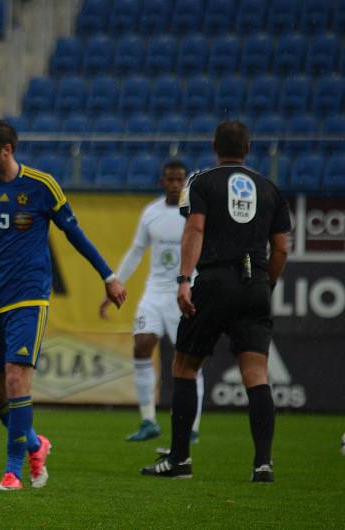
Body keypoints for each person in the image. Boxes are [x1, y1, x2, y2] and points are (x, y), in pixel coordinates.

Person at [0, 118, 127, 491]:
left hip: (29, 297)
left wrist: (108, 277)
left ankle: (14, 470)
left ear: (6, 150)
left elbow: (74, 233)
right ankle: (34, 443)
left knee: (16, 377)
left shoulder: (42, 186)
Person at [141, 121, 291, 482]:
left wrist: (182, 280)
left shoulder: (203, 182)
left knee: (184, 367)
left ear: (214, 146)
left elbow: (195, 228)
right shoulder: (270, 189)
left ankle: (179, 461)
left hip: (215, 280)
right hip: (255, 281)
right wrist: (264, 283)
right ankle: (263, 465)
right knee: (256, 374)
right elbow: (282, 248)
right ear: (249, 148)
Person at [99, 160, 205, 443]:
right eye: (170, 179)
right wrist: (115, 284)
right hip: (155, 292)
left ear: (186, 183)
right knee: (142, 343)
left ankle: (191, 426)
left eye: (179, 179)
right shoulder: (151, 213)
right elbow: (135, 252)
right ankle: (148, 421)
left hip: (185, 292)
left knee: (190, 359)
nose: (174, 184)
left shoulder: (195, 213)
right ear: (162, 181)